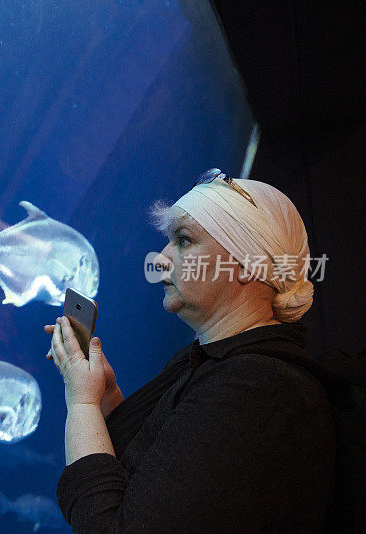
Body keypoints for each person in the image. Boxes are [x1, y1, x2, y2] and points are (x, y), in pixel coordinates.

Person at [45, 169, 335, 533]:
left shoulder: (260, 389)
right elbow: (147, 474)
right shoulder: (209, 361)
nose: (161, 258)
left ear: (247, 265)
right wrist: (106, 399)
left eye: (183, 240)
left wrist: (82, 404)